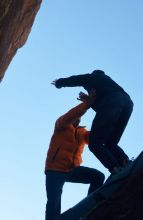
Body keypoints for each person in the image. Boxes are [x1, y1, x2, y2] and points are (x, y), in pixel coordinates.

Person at [52, 70, 134, 174]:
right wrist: (90, 101)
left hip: (112, 102)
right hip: (128, 103)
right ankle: (126, 162)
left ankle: (115, 168)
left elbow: (76, 79)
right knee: (111, 143)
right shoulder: (109, 83)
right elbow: (105, 107)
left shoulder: (91, 77)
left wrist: (60, 82)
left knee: (95, 143)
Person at [45, 90, 105, 220]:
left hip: (72, 169)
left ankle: (89, 210)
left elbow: (97, 137)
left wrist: (106, 116)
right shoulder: (61, 125)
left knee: (98, 177)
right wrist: (86, 104)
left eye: (79, 117)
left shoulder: (82, 133)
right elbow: (72, 114)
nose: (77, 118)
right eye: (75, 116)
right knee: (53, 202)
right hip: (55, 169)